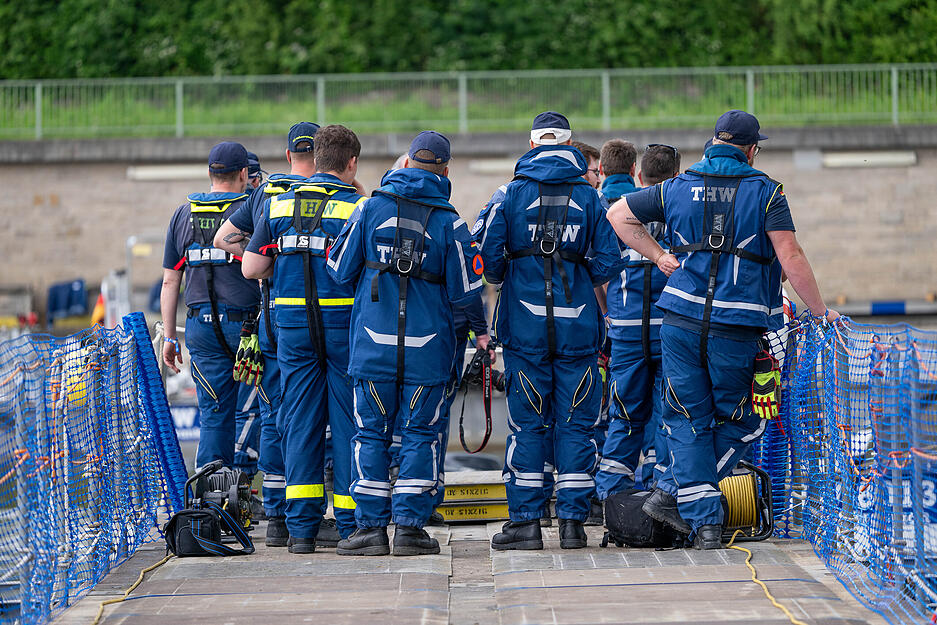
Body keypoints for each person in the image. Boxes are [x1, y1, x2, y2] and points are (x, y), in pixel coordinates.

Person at [606, 109, 839, 549]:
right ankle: (675, 498)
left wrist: (659, 256)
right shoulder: (767, 192)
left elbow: (618, 215)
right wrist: (821, 310)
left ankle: (702, 521)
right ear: (751, 150)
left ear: (714, 143)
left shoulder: (677, 186)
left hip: (678, 322)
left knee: (686, 419)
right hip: (737, 327)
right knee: (746, 419)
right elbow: (790, 254)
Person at [327, 131, 484, 556]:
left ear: (407, 163)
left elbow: (338, 268)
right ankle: (410, 531)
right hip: (428, 352)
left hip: (371, 348)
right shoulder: (451, 222)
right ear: (445, 172)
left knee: (369, 434)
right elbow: (468, 290)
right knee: (421, 434)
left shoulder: (368, 208)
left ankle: (370, 530)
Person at [473, 112, 622, 550]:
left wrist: (512, 275)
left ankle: (525, 523)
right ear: (570, 145)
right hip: (579, 328)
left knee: (527, 425)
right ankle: (573, 524)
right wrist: (578, 276)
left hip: (524, 328)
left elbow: (487, 257)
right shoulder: (589, 195)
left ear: (532, 144)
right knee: (577, 424)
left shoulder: (509, 193)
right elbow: (610, 259)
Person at [241, 124, 366, 554]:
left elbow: (251, 268)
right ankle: (350, 525)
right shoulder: (357, 206)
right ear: (351, 163)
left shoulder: (277, 204)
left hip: (291, 328)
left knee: (299, 423)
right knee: (348, 423)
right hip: (343, 326)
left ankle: (300, 531)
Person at [213, 122, 320, 548]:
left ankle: (276, 517)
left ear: (288, 154)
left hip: (270, 318)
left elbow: (224, 237)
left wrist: (261, 260)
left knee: (273, 414)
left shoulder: (266, 192)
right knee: (313, 418)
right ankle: (310, 515)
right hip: (316, 321)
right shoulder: (332, 194)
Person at [160, 142, 261, 476]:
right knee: (256, 409)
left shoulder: (182, 215)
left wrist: (169, 337)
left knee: (214, 413)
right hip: (247, 329)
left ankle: (212, 493)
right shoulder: (250, 209)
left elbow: (170, 282)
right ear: (244, 173)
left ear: (209, 173)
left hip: (200, 328)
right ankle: (247, 485)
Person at [595, 143, 680, 501]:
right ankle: (661, 494)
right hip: (668, 329)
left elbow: (599, 273)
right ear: (677, 176)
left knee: (624, 413)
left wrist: (609, 314)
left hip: (626, 328)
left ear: (640, 176)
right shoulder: (679, 212)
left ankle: (611, 495)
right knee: (667, 413)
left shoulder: (617, 213)